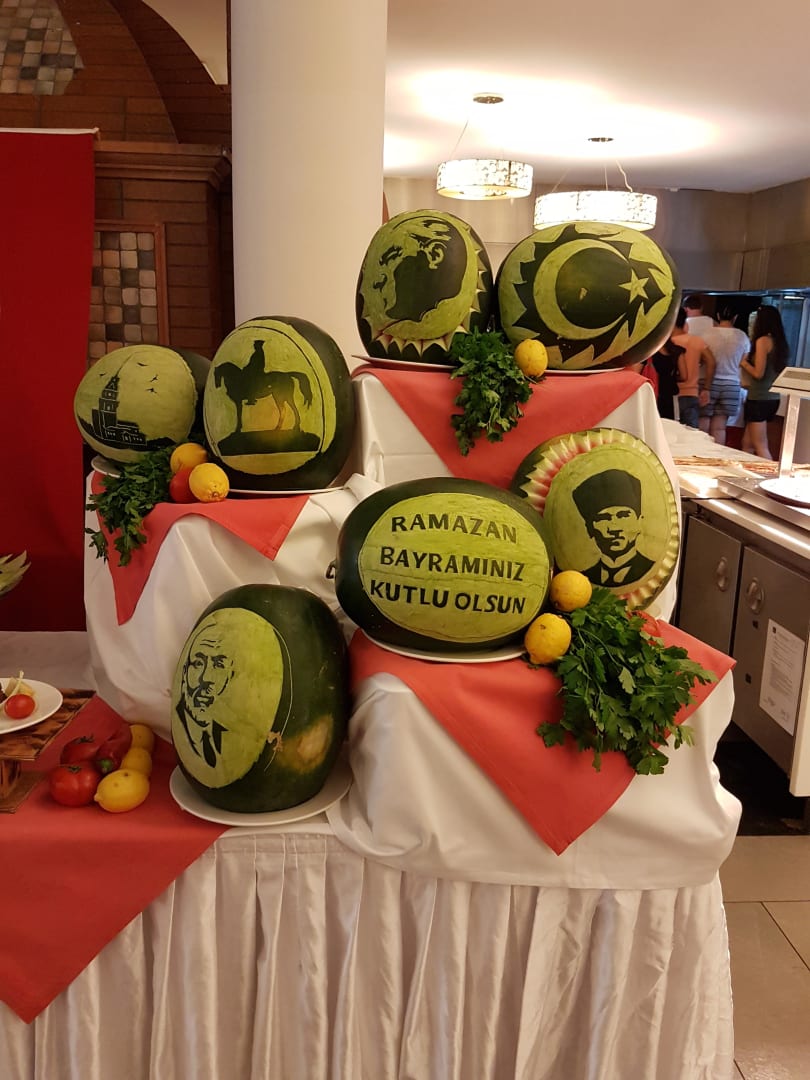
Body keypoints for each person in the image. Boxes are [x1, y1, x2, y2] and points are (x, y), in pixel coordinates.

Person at [572, 469, 655, 588]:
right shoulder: (582, 578)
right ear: (589, 528)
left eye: (623, 515)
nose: (614, 528)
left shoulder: (652, 571)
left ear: (639, 521)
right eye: (603, 518)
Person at [174, 615, 235, 768]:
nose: (206, 678)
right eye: (198, 663)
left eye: (218, 665)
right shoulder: (179, 729)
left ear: (229, 676)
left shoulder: (225, 732)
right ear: (184, 671)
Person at [740, 304, 790, 459]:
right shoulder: (779, 342)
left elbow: (758, 373)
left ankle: (769, 473)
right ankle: (746, 471)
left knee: (760, 445)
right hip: (772, 397)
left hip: (759, 398)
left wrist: (744, 363)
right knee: (747, 444)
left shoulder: (762, 341)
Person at [698, 304, 748, 445]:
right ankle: (717, 454)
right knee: (720, 428)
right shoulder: (742, 336)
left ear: (718, 316)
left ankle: (700, 452)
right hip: (731, 385)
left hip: (708, 382)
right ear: (735, 318)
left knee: (703, 423)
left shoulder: (706, 334)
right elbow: (743, 361)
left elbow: (701, 360)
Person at [672, 307, 716, 428]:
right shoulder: (696, 340)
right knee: (691, 433)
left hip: (671, 395)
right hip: (691, 393)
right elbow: (711, 362)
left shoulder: (666, 343)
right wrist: (706, 388)